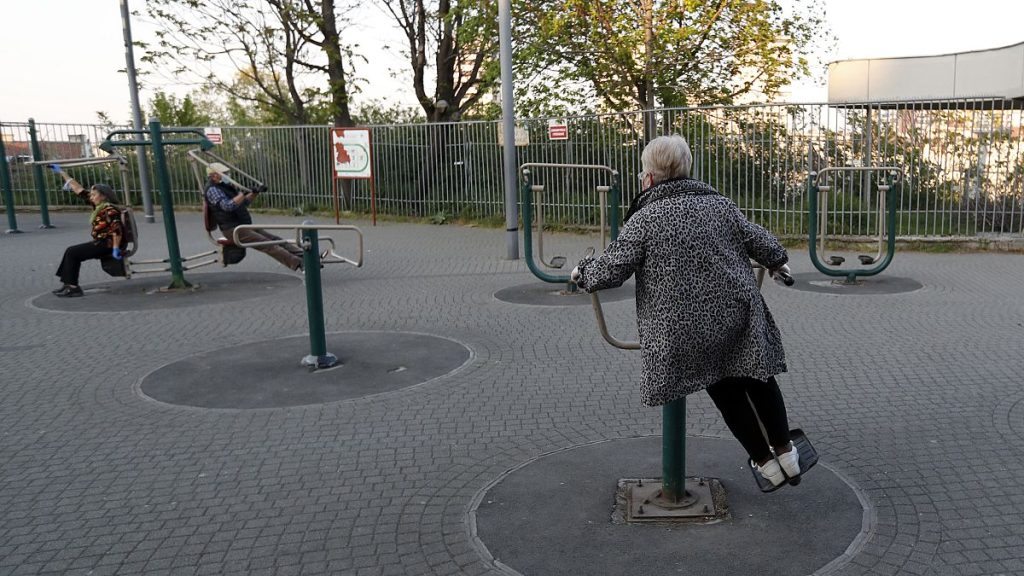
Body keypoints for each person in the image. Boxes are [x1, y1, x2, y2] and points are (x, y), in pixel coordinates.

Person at [570, 135, 801, 488]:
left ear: (649, 177)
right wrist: (776, 264)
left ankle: (765, 463)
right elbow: (765, 244)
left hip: (686, 328)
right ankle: (787, 453)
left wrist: (582, 272)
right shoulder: (720, 205)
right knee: (759, 378)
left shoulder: (646, 217)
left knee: (724, 389)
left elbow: (610, 271)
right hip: (737, 312)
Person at [204, 163, 305, 271]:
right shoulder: (213, 190)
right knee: (267, 244)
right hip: (232, 229)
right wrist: (242, 194)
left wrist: (255, 192)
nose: (227, 175)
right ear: (214, 176)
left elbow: (244, 202)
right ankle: (299, 263)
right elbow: (227, 206)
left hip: (242, 225)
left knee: (275, 239)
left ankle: (304, 256)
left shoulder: (226, 186)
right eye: (224, 173)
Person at [50, 166, 125, 297]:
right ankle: (69, 284)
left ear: (103, 196)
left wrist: (115, 248)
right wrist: (62, 172)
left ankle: (73, 287)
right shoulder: (98, 206)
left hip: (106, 244)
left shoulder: (109, 210)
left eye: (94, 195)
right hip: (101, 242)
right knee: (71, 251)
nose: (91, 197)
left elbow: (116, 229)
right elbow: (78, 189)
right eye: (91, 194)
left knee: (73, 252)